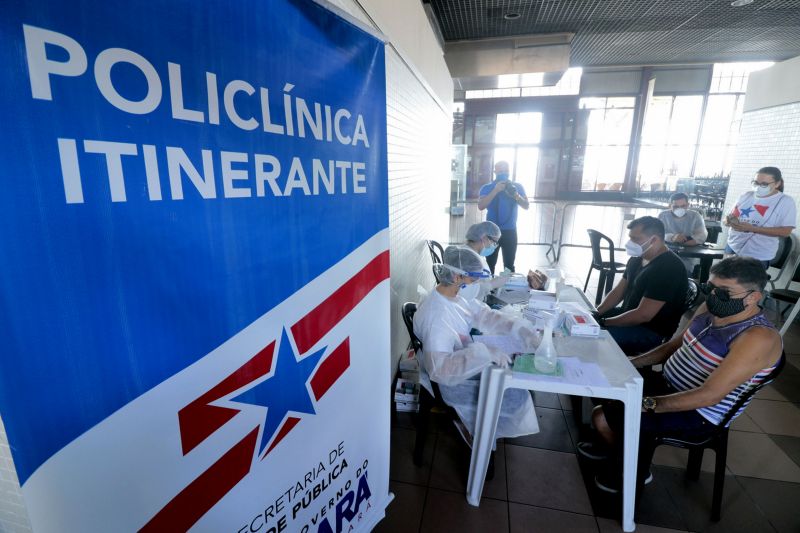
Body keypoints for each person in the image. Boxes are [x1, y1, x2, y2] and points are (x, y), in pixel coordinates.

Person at [581, 257, 783, 492]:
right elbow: (673, 346)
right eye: (710, 288)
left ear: (753, 297)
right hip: (669, 386)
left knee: (608, 414)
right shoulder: (710, 308)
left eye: (724, 292)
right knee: (603, 386)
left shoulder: (757, 337)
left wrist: (645, 404)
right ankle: (622, 451)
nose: (713, 296)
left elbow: (708, 396)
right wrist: (631, 363)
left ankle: (634, 470)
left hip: (699, 412)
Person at [413, 245, 540, 442]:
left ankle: (486, 432)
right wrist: (484, 353)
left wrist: (519, 328)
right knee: (516, 394)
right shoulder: (437, 316)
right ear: (456, 277)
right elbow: (440, 369)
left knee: (514, 377)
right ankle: (481, 437)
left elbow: (483, 314)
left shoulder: (453, 296)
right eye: (473, 278)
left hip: (462, 358)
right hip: (451, 380)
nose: (476, 283)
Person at [594, 216, 687, 356]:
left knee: (591, 336)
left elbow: (643, 315)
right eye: (630, 238)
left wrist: (605, 322)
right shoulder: (638, 258)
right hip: (628, 318)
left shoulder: (668, 268)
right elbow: (618, 291)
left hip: (649, 332)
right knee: (580, 324)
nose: (630, 243)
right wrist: (596, 313)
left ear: (654, 240)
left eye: (636, 239)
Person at [724, 166, 796, 269]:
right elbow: (728, 218)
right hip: (732, 247)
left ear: (777, 183)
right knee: (724, 281)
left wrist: (751, 228)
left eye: (764, 184)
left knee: (745, 284)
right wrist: (729, 221)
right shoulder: (746, 196)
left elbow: (785, 232)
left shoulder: (785, 202)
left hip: (757, 255)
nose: (758, 187)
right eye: (755, 182)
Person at [462, 221, 547, 301]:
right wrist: (491, 285)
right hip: (470, 305)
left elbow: (480, 279)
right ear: (484, 238)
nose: (494, 246)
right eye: (494, 242)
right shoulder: (469, 259)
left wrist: (495, 280)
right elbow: (465, 291)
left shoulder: (474, 255)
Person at [478, 160, 529, 274]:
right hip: (491, 233)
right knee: (489, 264)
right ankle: (490, 289)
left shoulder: (517, 187)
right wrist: (495, 190)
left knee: (509, 266)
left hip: (510, 232)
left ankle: (507, 289)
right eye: (500, 171)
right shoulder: (487, 187)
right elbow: (481, 206)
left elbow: (526, 206)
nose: (503, 173)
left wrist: (516, 195)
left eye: (506, 171)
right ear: (495, 171)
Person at [659, 192, 708, 274]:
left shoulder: (695, 216)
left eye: (683, 206)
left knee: (684, 270)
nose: (679, 209)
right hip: (666, 252)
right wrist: (672, 237)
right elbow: (658, 234)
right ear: (669, 205)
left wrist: (695, 241)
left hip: (688, 254)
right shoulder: (663, 216)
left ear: (688, 205)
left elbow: (702, 234)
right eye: (675, 206)